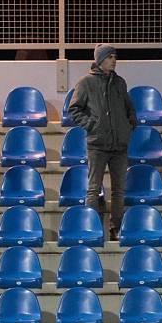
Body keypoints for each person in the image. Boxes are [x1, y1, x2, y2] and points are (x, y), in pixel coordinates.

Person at [68, 44, 137, 240]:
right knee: (93, 188)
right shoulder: (86, 83)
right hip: (97, 144)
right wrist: (92, 125)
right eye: (110, 57)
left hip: (119, 145)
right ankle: (91, 230)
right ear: (100, 60)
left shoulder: (120, 83)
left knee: (118, 190)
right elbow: (74, 110)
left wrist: (129, 122)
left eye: (115, 57)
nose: (114, 60)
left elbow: (129, 107)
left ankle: (116, 230)